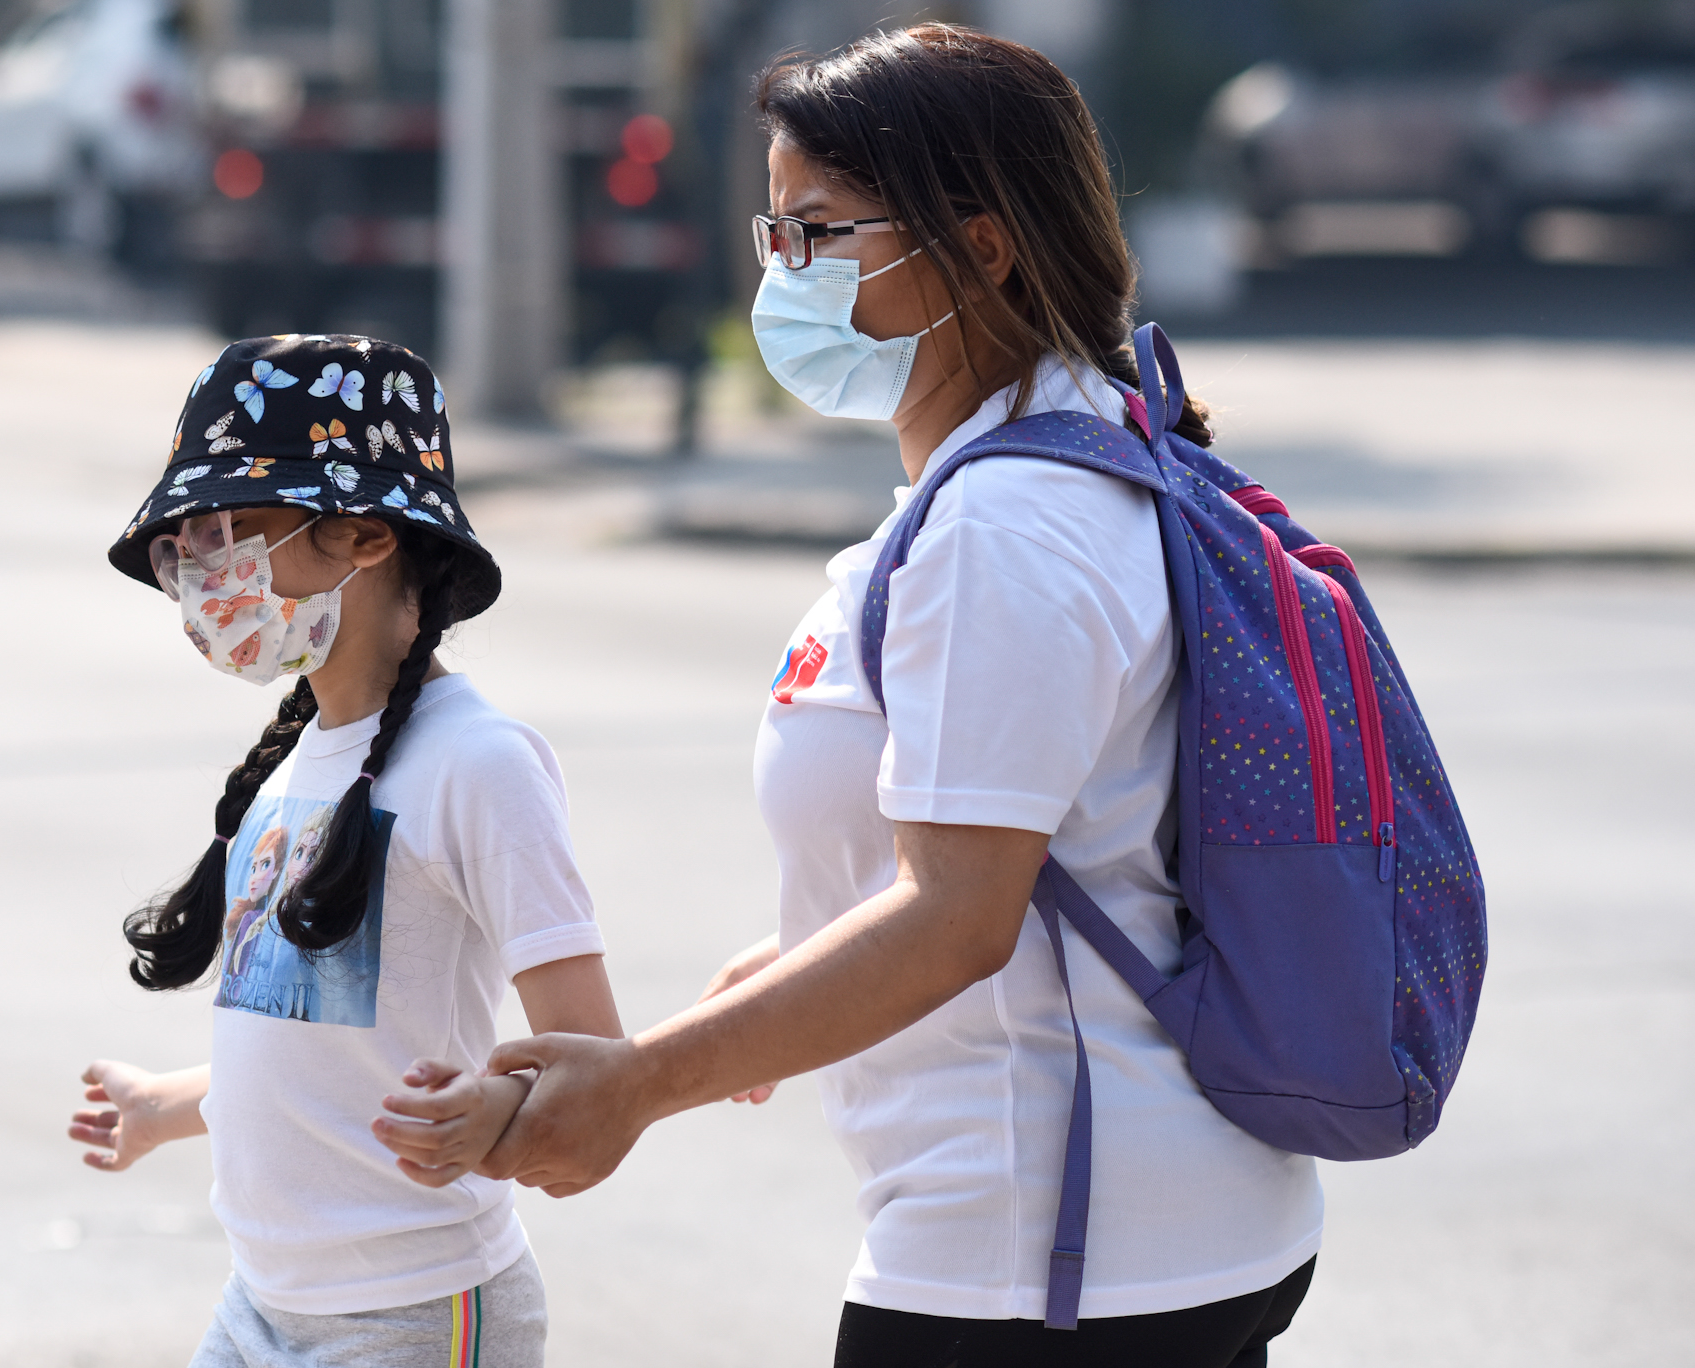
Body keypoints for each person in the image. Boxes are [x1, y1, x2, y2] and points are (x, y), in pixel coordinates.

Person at [377, 26, 1322, 1368]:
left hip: (1042, 1251)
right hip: (1153, 1229)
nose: (784, 276)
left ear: (980, 248)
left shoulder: (1004, 530)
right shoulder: (1087, 463)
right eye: (774, 236)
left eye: (820, 233)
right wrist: (804, 961)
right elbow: (1065, 834)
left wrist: (641, 1086)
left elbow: (956, 921)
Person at [66, 335, 622, 1368]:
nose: (196, 573)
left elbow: (595, 1059)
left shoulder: (479, 763)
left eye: (226, 531)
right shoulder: (291, 768)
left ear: (363, 535)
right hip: (259, 1303)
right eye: (178, 547)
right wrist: (164, 1107)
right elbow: (315, 1049)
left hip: (412, 1313)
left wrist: (496, 1108)